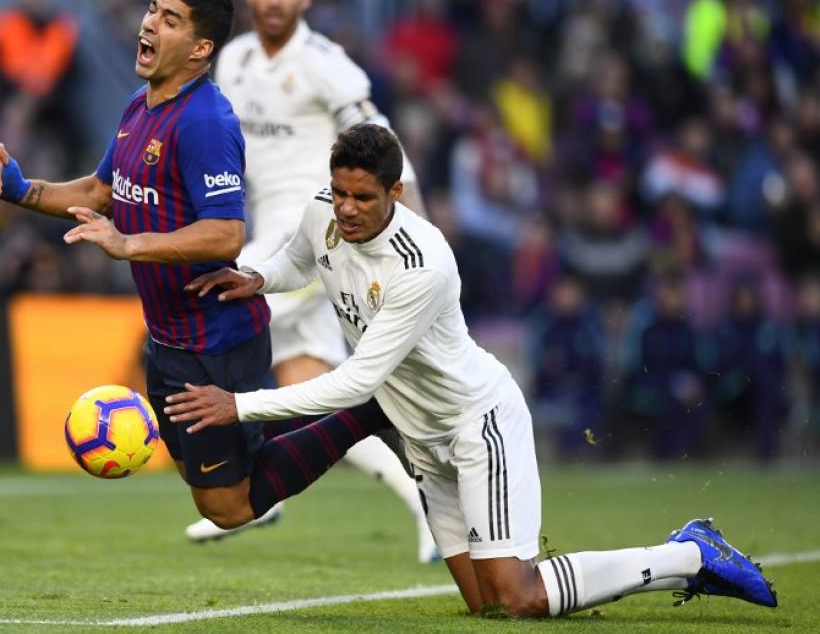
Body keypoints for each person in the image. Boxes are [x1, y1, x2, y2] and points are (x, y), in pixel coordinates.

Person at [164, 124, 777, 617]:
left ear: (395, 193)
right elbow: (299, 261)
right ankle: (684, 562)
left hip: (475, 423)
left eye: (363, 198)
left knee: (519, 597)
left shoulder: (422, 263)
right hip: (422, 440)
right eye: (340, 192)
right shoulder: (322, 210)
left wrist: (238, 405)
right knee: (489, 605)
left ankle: (687, 554)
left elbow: (357, 383)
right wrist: (258, 278)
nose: (346, 209)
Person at [0, 0, 396, 539]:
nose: (149, 23)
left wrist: (128, 245)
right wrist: (21, 190)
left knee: (228, 508)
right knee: (215, 485)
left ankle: (368, 413)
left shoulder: (205, 122)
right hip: (170, 339)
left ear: (200, 48)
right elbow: (101, 191)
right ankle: (326, 413)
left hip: (216, 341)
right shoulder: (139, 106)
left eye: (170, 20)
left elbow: (225, 234)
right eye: (152, 10)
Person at [186, 0, 436, 561]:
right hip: (274, 234)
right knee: (314, 392)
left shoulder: (328, 66)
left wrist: (422, 230)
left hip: (314, 236)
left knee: (215, 317)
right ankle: (422, 501)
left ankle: (241, 487)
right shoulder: (234, 60)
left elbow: (384, 146)